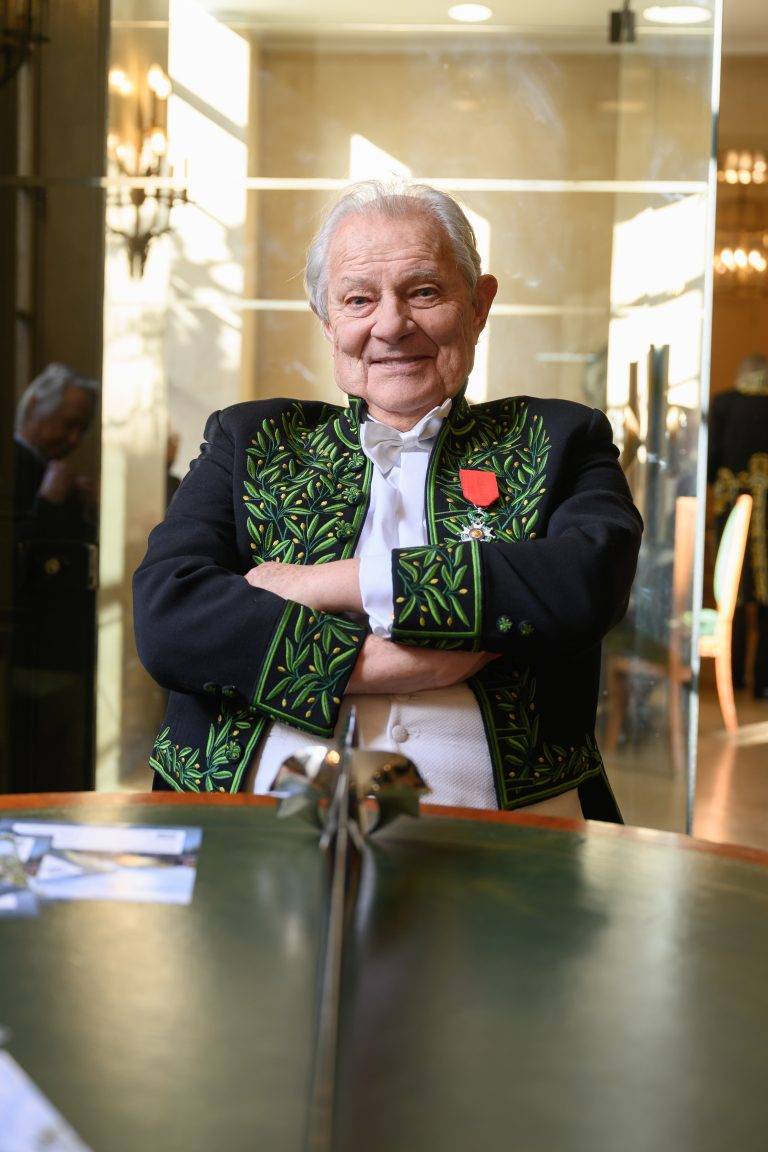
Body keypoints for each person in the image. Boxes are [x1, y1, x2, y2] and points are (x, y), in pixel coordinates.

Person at [134, 182, 643, 820]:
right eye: (358, 300)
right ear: (328, 321)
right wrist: (382, 666)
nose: (391, 325)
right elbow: (169, 617)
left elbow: (584, 581)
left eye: (424, 292)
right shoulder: (248, 438)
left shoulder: (561, 439)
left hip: (513, 834)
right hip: (251, 820)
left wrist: (331, 583)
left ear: (480, 304)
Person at [11, 363, 99, 791]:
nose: (72, 440)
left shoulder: (53, 471)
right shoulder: (15, 466)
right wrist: (48, 503)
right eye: (67, 425)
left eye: (80, 429)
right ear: (32, 407)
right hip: (24, 653)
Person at [708, 353, 768, 697]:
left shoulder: (725, 404)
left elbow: (712, 458)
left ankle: (730, 677)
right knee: (760, 600)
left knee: (729, 594)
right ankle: (762, 681)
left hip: (732, 506)